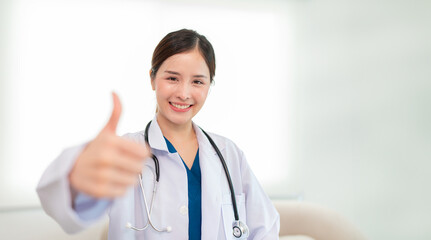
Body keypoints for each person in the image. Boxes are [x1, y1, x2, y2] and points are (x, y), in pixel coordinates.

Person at [36, 29, 280, 240]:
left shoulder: (229, 155)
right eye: (172, 78)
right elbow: (69, 212)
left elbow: (265, 227)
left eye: (197, 82)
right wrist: (75, 179)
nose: (184, 93)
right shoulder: (127, 152)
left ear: (209, 86)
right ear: (152, 78)